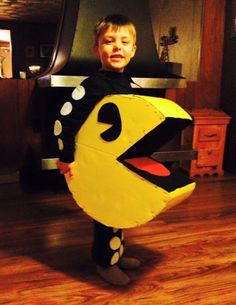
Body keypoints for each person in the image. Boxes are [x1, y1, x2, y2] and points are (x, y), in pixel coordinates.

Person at [55, 14, 141, 285]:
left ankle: (115, 254)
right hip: (98, 161)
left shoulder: (127, 83)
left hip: (118, 160)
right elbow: (64, 121)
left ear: (133, 50)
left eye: (125, 42)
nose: (118, 47)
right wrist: (66, 157)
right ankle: (104, 262)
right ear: (97, 49)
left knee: (118, 208)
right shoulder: (93, 85)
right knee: (106, 212)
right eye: (109, 41)